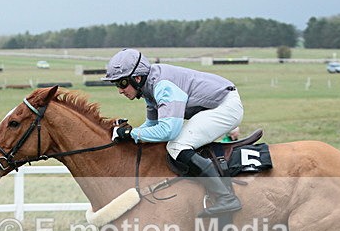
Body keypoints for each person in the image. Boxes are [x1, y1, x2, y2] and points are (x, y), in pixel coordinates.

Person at [103, 48, 243, 217]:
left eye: (122, 83)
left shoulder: (162, 86)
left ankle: (226, 198)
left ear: (137, 78)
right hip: (217, 103)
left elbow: (168, 131)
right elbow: (152, 124)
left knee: (177, 145)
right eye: (116, 85)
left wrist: (132, 134)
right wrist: (128, 133)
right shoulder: (148, 88)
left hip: (225, 106)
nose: (120, 90)